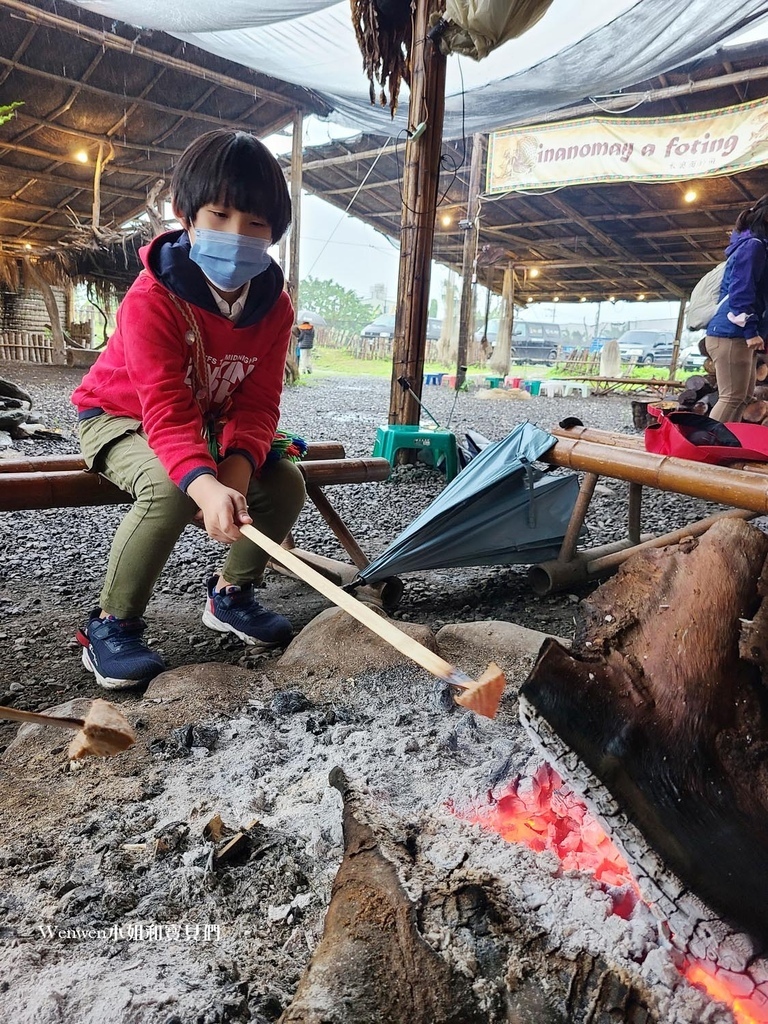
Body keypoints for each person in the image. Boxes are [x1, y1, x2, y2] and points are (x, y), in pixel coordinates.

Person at [71, 129, 306, 690]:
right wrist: (204, 483)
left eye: (255, 225)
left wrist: (237, 471)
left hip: (204, 424)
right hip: (116, 416)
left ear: (275, 231)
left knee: (286, 483)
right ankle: (109, 625)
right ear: (185, 214)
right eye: (219, 215)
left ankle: (230, 594)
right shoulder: (154, 297)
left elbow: (258, 403)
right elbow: (164, 410)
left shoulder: (273, 307)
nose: (236, 235)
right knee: (171, 486)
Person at [705, 195, 768, 422]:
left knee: (742, 397)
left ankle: (722, 445)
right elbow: (742, 291)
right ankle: (704, 448)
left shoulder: (755, 245)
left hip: (737, 334)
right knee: (731, 397)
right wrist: (751, 330)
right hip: (731, 333)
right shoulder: (754, 246)